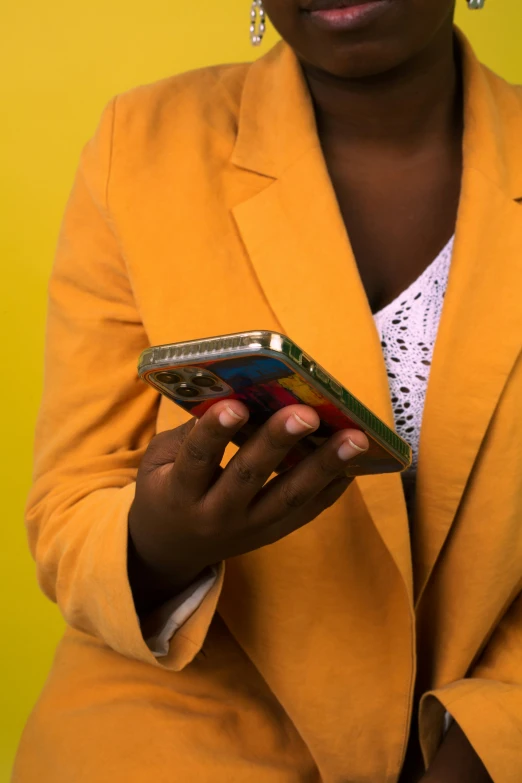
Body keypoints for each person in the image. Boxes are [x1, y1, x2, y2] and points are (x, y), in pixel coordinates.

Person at [13, 0, 522, 780]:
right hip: (161, 740)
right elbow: (70, 506)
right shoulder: (140, 143)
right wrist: (162, 543)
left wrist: (492, 741)